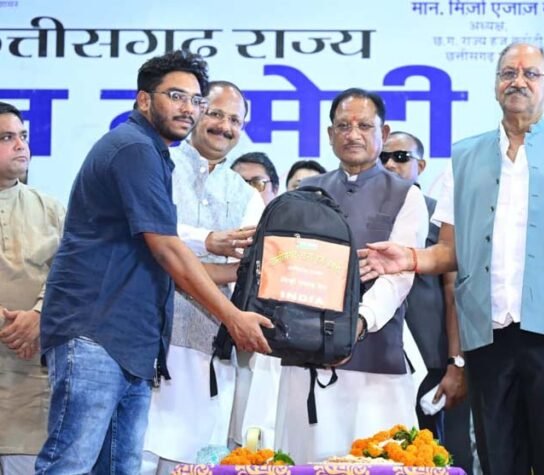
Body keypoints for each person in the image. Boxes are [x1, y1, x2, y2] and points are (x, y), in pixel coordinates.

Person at [360, 43, 544, 475]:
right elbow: (450, 252)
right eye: (508, 73)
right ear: (496, 84)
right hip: (488, 338)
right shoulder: (464, 157)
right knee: (497, 462)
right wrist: (408, 257)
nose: (518, 81)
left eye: (530, 73)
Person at [36, 51, 272, 474]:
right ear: (144, 100)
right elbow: (167, 249)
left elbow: (166, 259)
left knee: (119, 468)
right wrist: (232, 316)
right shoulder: (133, 148)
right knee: (69, 465)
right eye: (176, 96)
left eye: (195, 100)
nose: (188, 109)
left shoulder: (155, 154)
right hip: (96, 333)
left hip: (132, 342)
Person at [274, 88, 428, 464]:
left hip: (376, 356)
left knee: (378, 463)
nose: (353, 134)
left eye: (364, 125)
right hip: (306, 357)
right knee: (305, 462)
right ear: (330, 135)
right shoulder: (305, 193)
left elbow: (398, 278)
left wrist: (357, 322)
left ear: (383, 132)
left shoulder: (407, 195)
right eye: (343, 126)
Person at [142, 80, 265, 474]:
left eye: (235, 120)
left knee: (192, 462)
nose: (224, 126)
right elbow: (147, 238)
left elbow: (246, 272)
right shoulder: (157, 165)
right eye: (215, 113)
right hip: (146, 344)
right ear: (194, 111)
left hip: (209, 351)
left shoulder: (247, 196)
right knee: (134, 458)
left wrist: (187, 266)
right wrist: (207, 243)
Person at [380, 131, 473, 474]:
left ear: (421, 165)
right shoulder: (369, 215)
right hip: (380, 360)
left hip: (433, 361)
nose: (390, 164)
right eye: (384, 158)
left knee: (441, 458)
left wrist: (456, 363)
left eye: (401, 157)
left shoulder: (439, 216)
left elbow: (454, 290)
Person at [0, 102, 64, 475]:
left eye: (22, 136)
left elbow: (71, 277)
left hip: (29, 380)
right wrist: (11, 325)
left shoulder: (51, 210)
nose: (20, 145)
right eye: (6, 137)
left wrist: (39, 316)